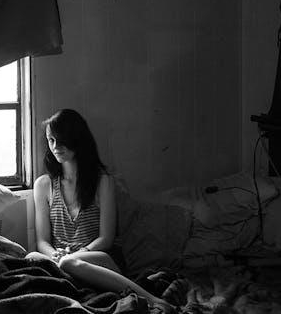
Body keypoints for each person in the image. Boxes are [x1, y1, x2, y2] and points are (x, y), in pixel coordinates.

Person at [26, 109, 175, 312]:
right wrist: (55, 256)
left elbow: (106, 239)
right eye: (51, 140)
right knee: (31, 257)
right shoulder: (44, 184)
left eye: (60, 140)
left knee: (71, 263)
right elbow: (42, 241)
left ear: (76, 139)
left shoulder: (102, 181)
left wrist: (77, 254)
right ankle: (74, 280)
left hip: (100, 258)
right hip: (60, 260)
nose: (55, 147)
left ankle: (151, 299)